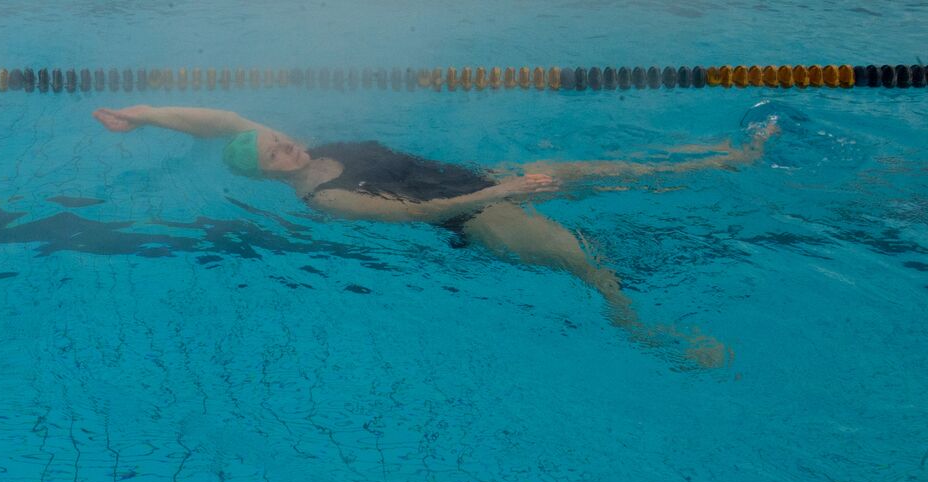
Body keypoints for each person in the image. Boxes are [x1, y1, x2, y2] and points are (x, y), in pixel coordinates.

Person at [93, 104, 779, 368]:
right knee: (585, 263)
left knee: (603, 172)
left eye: (279, 139)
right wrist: (503, 193)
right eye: (274, 154)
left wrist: (143, 112)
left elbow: (219, 121)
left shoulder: (309, 144)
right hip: (474, 215)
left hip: (477, 178)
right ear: (269, 174)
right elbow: (415, 217)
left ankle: (723, 160)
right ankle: (653, 336)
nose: (286, 147)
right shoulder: (326, 198)